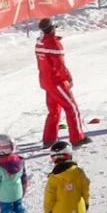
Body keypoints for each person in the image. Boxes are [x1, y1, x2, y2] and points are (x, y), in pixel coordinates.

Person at [36, 19, 87, 149]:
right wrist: (68, 79)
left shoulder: (39, 42)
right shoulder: (54, 44)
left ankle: (49, 139)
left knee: (54, 111)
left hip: (46, 81)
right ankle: (77, 138)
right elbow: (60, 66)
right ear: (52, 29)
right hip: (57, 81)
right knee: (72, 108)